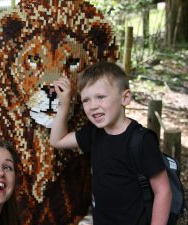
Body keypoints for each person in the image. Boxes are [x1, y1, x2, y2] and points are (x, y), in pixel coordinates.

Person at [50, 61, 172, 225]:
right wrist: (64, 103)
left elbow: (163, 191)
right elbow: (57, 140)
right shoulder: (94, 133)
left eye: (100, 97)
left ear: (125, 97)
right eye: (86, 100)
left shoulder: (141, 140)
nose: (93, 106)